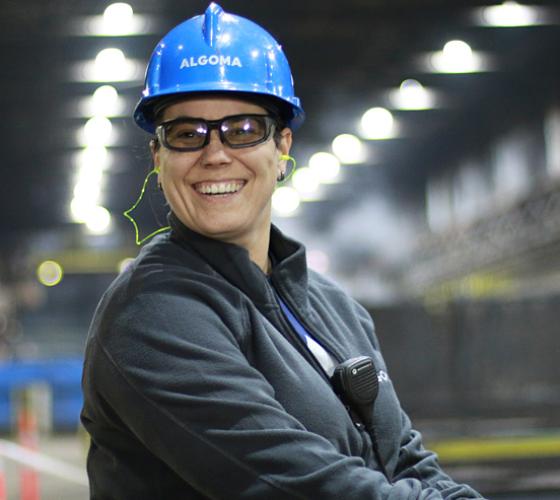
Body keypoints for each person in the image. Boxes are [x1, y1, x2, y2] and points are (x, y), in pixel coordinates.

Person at [81, 3, 484, 499]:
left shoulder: (337, 309)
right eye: (187, 134)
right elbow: (303, 486)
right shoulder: (150, 317)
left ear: (283, 147)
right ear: (158, 157)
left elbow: (403, 458)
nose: (215, 154)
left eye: (243, 129)